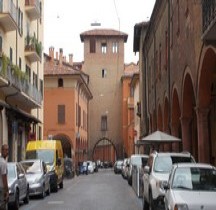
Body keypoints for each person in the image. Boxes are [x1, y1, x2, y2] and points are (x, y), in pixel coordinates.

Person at [0, 144, 9, 210]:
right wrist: (7, 191)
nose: (7, 152)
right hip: (2, 189)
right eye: (6, 150)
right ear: (2, 151)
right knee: (3, 206)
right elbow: (4, 177)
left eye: (8, 150)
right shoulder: (3, 162)